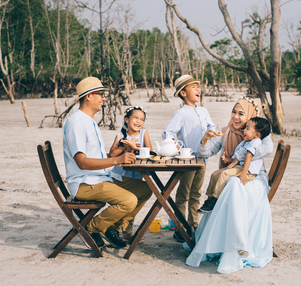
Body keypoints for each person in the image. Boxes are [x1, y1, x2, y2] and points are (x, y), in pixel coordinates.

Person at [184, 97, 274, 274]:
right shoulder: (226, 132)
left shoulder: (260, 135)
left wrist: (244, 148)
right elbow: (206, 152)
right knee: (227, 181)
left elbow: (264, 150)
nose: (236, 117)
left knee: (233, 184)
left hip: (253, 178)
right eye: (234, 112)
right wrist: (204, 141)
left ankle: (237, 244)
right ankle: (220, 238)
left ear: (250, 116)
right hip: (232, 173)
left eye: (242, 114)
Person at [62, 77, 152, 249]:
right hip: (84, 183)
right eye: (101, 94)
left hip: (100, 177)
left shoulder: (90, 122)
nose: (104, 98)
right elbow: (81, 162)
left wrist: (121, 153)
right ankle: (89, 228)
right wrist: (117, 160)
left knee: (145, 189)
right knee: (129, 201)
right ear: (88, 96)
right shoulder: (76, 123)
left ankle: (112, 227)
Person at [162, 74, 216, 242]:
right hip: (187, 160)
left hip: (202, 159)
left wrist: (212, 131)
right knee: (183, 195)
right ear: (183, 93)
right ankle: (179, 227)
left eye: (197, 87)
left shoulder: (203, 111)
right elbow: (168, 133)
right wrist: (176, 146)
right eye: (193, 87)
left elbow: (211, 126)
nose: (198, 89)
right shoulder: (180, 113)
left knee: (196, 194)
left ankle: (193, 225)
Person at [197, 117, 271, 213]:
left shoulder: (255, 142)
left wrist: (244, 172)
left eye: (247, 129)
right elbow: (239, 157)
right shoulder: (246, 142)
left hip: (248, 170)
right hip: (240, 166)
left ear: (257, 135)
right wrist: (228, 161)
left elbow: (248, 156)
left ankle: (215, 199)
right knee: (215, 174)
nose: (244, 130)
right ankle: (209, 198)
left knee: (224, 174)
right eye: (245, 128)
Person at [109, 106, 152, 240]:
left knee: (134, 201)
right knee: (129, 202)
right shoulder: (121, 135)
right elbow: (112, 154)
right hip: (120, 176)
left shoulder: (144, 133)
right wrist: (126, 146)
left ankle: (125, 232)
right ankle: (122, 232)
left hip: (136, 175)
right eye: (135, 118)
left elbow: (149, 151)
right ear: (127, 119)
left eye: (142, 119)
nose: (139, 121)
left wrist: (136, 148)